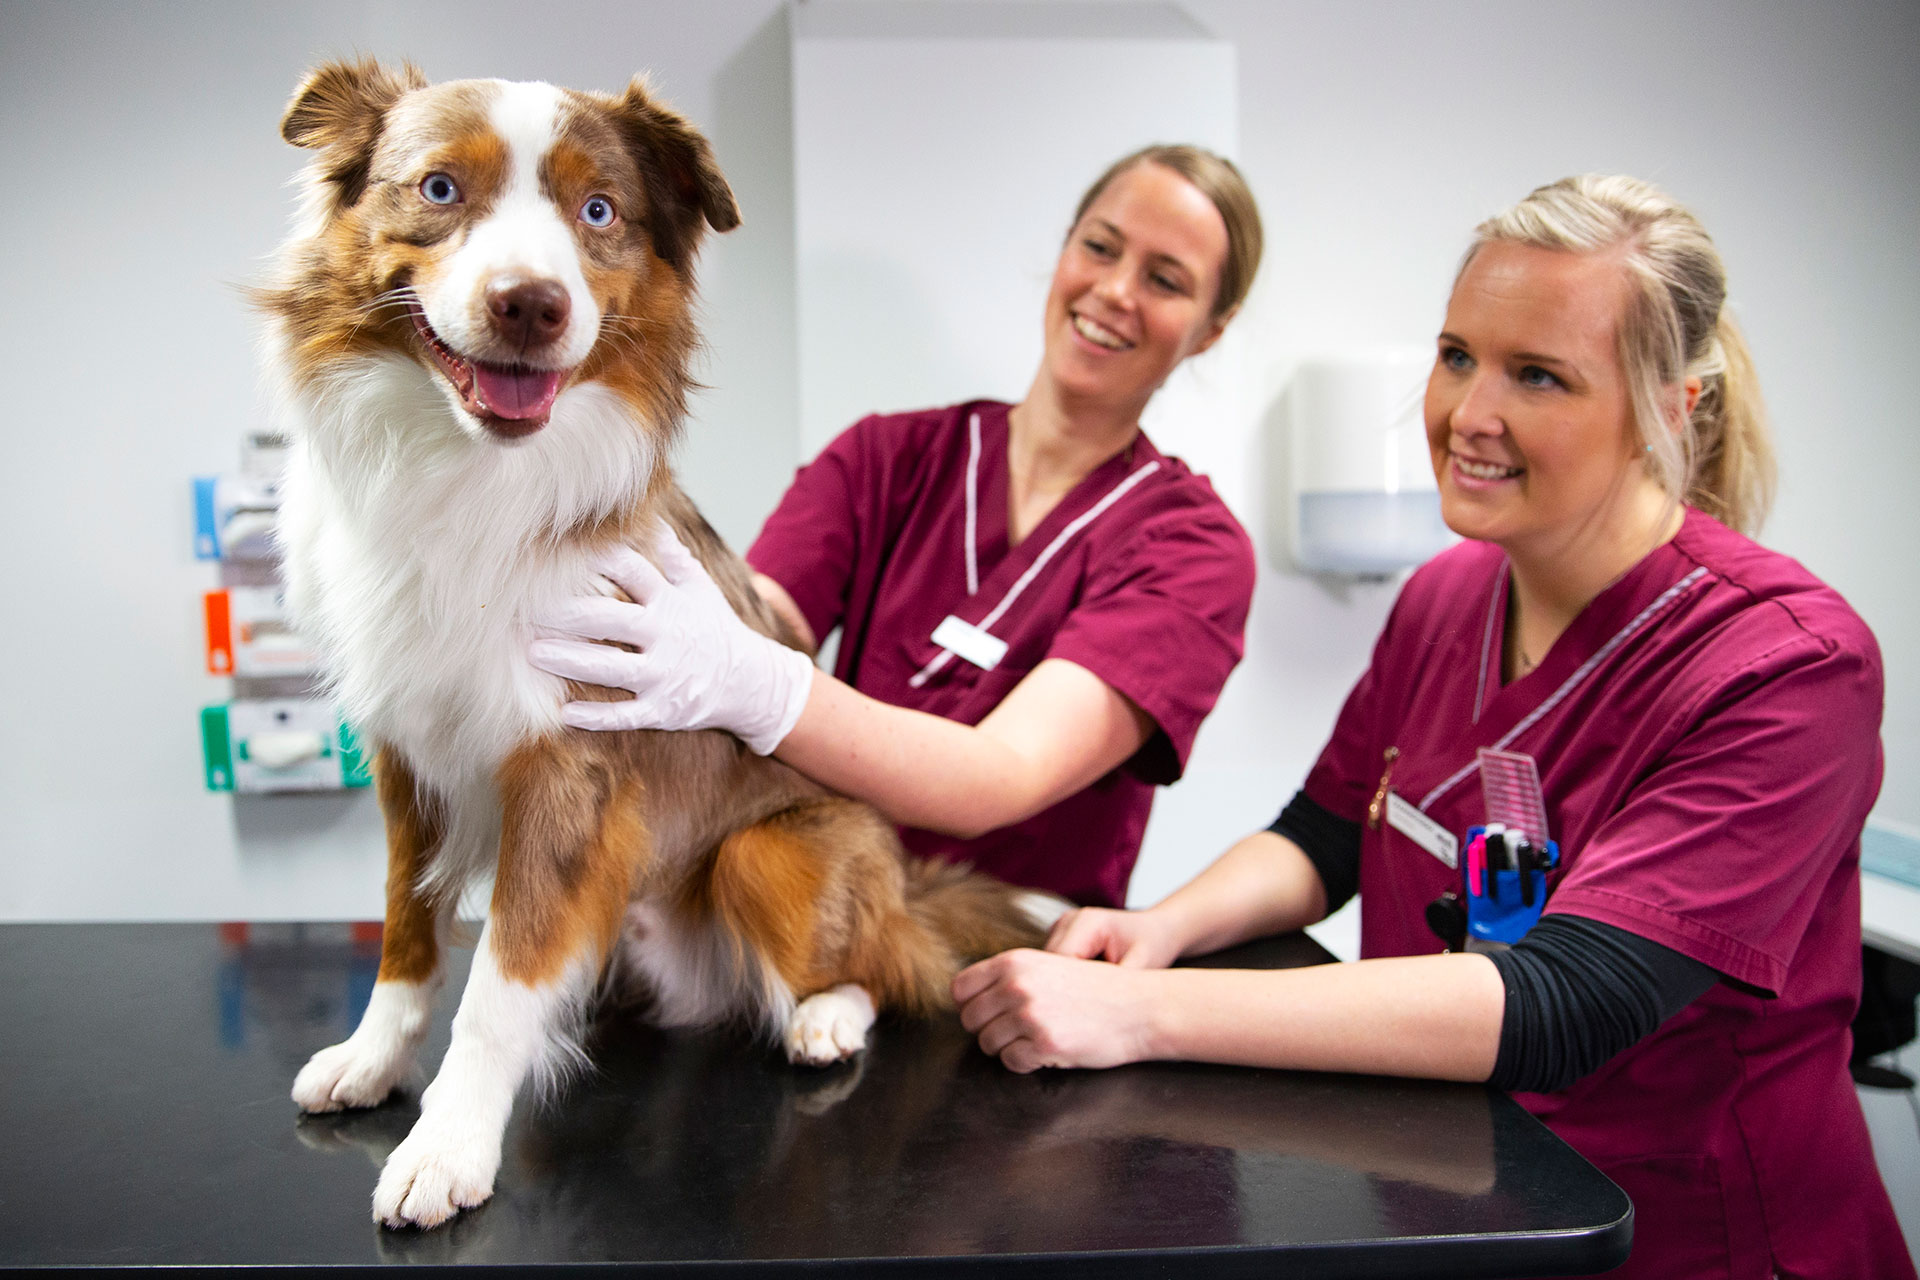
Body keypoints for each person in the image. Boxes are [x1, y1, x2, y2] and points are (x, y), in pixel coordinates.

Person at [949, 175, 1914, 1278]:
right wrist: (1162, 925)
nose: (1470, 414)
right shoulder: (1448, 594)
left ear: (1673, 403)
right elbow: (1320, 836)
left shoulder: (1785, 665)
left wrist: (1142, 1010)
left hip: (1684, 1240)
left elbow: (1562, 999)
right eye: (1458, 355)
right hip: (1458, 1203)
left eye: (1539, 375)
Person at [529, 145, 1262, 908]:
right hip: (822, 913)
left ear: (1212, 328)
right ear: (1067, 246)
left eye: (1165, 279)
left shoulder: (1193, 549)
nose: (1115, 290)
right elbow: (760, 620)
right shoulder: (887, 457)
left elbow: (1001, 775)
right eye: (1101, 246)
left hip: (1022, 957)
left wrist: (754, 681)